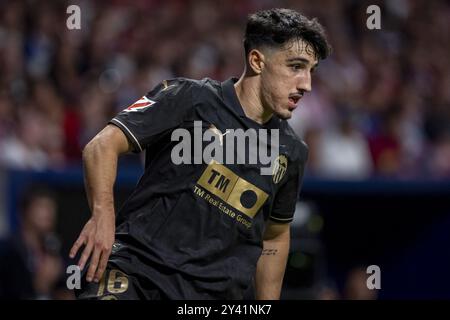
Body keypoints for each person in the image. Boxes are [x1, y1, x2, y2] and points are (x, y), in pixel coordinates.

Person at [70, 8, 331, 300]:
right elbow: (102, 145)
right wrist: (102, 216)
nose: (306, 84)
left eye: (311, 71)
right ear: (257, 60)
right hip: (136, 274)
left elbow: (275, 236)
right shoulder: (187, 98)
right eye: (296, 66)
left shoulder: (292, 152)